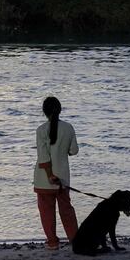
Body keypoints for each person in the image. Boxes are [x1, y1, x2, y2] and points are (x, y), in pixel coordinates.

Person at [34, 96, 79, 251]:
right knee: (66, 210)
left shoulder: (41, 130)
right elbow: (74, 151)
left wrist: (49, 175)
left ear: (44, 112)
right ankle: (75, 239)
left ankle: (52, 242)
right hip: (63, 177)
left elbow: (43, 157)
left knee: (46, 211)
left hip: (44, 178)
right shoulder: (69, 128)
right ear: (60, 110)